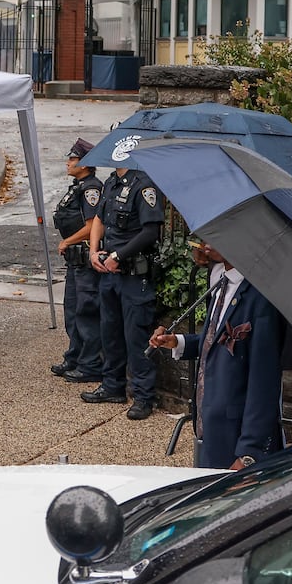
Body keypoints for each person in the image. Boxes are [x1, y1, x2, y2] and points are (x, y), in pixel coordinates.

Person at [149, 243, 285, 469]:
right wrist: (179, 342)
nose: (206, 244)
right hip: (211, 425)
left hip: (237, 437)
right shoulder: (220, 280)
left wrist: (249, 453)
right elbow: (214, 338)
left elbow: (264, 380)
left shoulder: (262, 298)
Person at [84, 165, 164, 420]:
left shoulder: (144, 184)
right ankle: (113, 385)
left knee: (135, 337)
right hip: (109, 273)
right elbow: (99, 218)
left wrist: (119, 255)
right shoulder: (111, 182)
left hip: (133, 275)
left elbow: (151, 232)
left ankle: (143, 397)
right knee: (110, 333)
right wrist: (94, 251)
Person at [50, 139, 104, 383]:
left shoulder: (92, 188)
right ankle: (75, 356)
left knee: (86, 311)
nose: (68, 162)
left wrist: (68, 241)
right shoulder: (79, 186)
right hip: (75, 260)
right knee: (72, 310)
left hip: (84, 259)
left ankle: (90, 364)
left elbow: (92, 226)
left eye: (72, 159)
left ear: (85, 163)